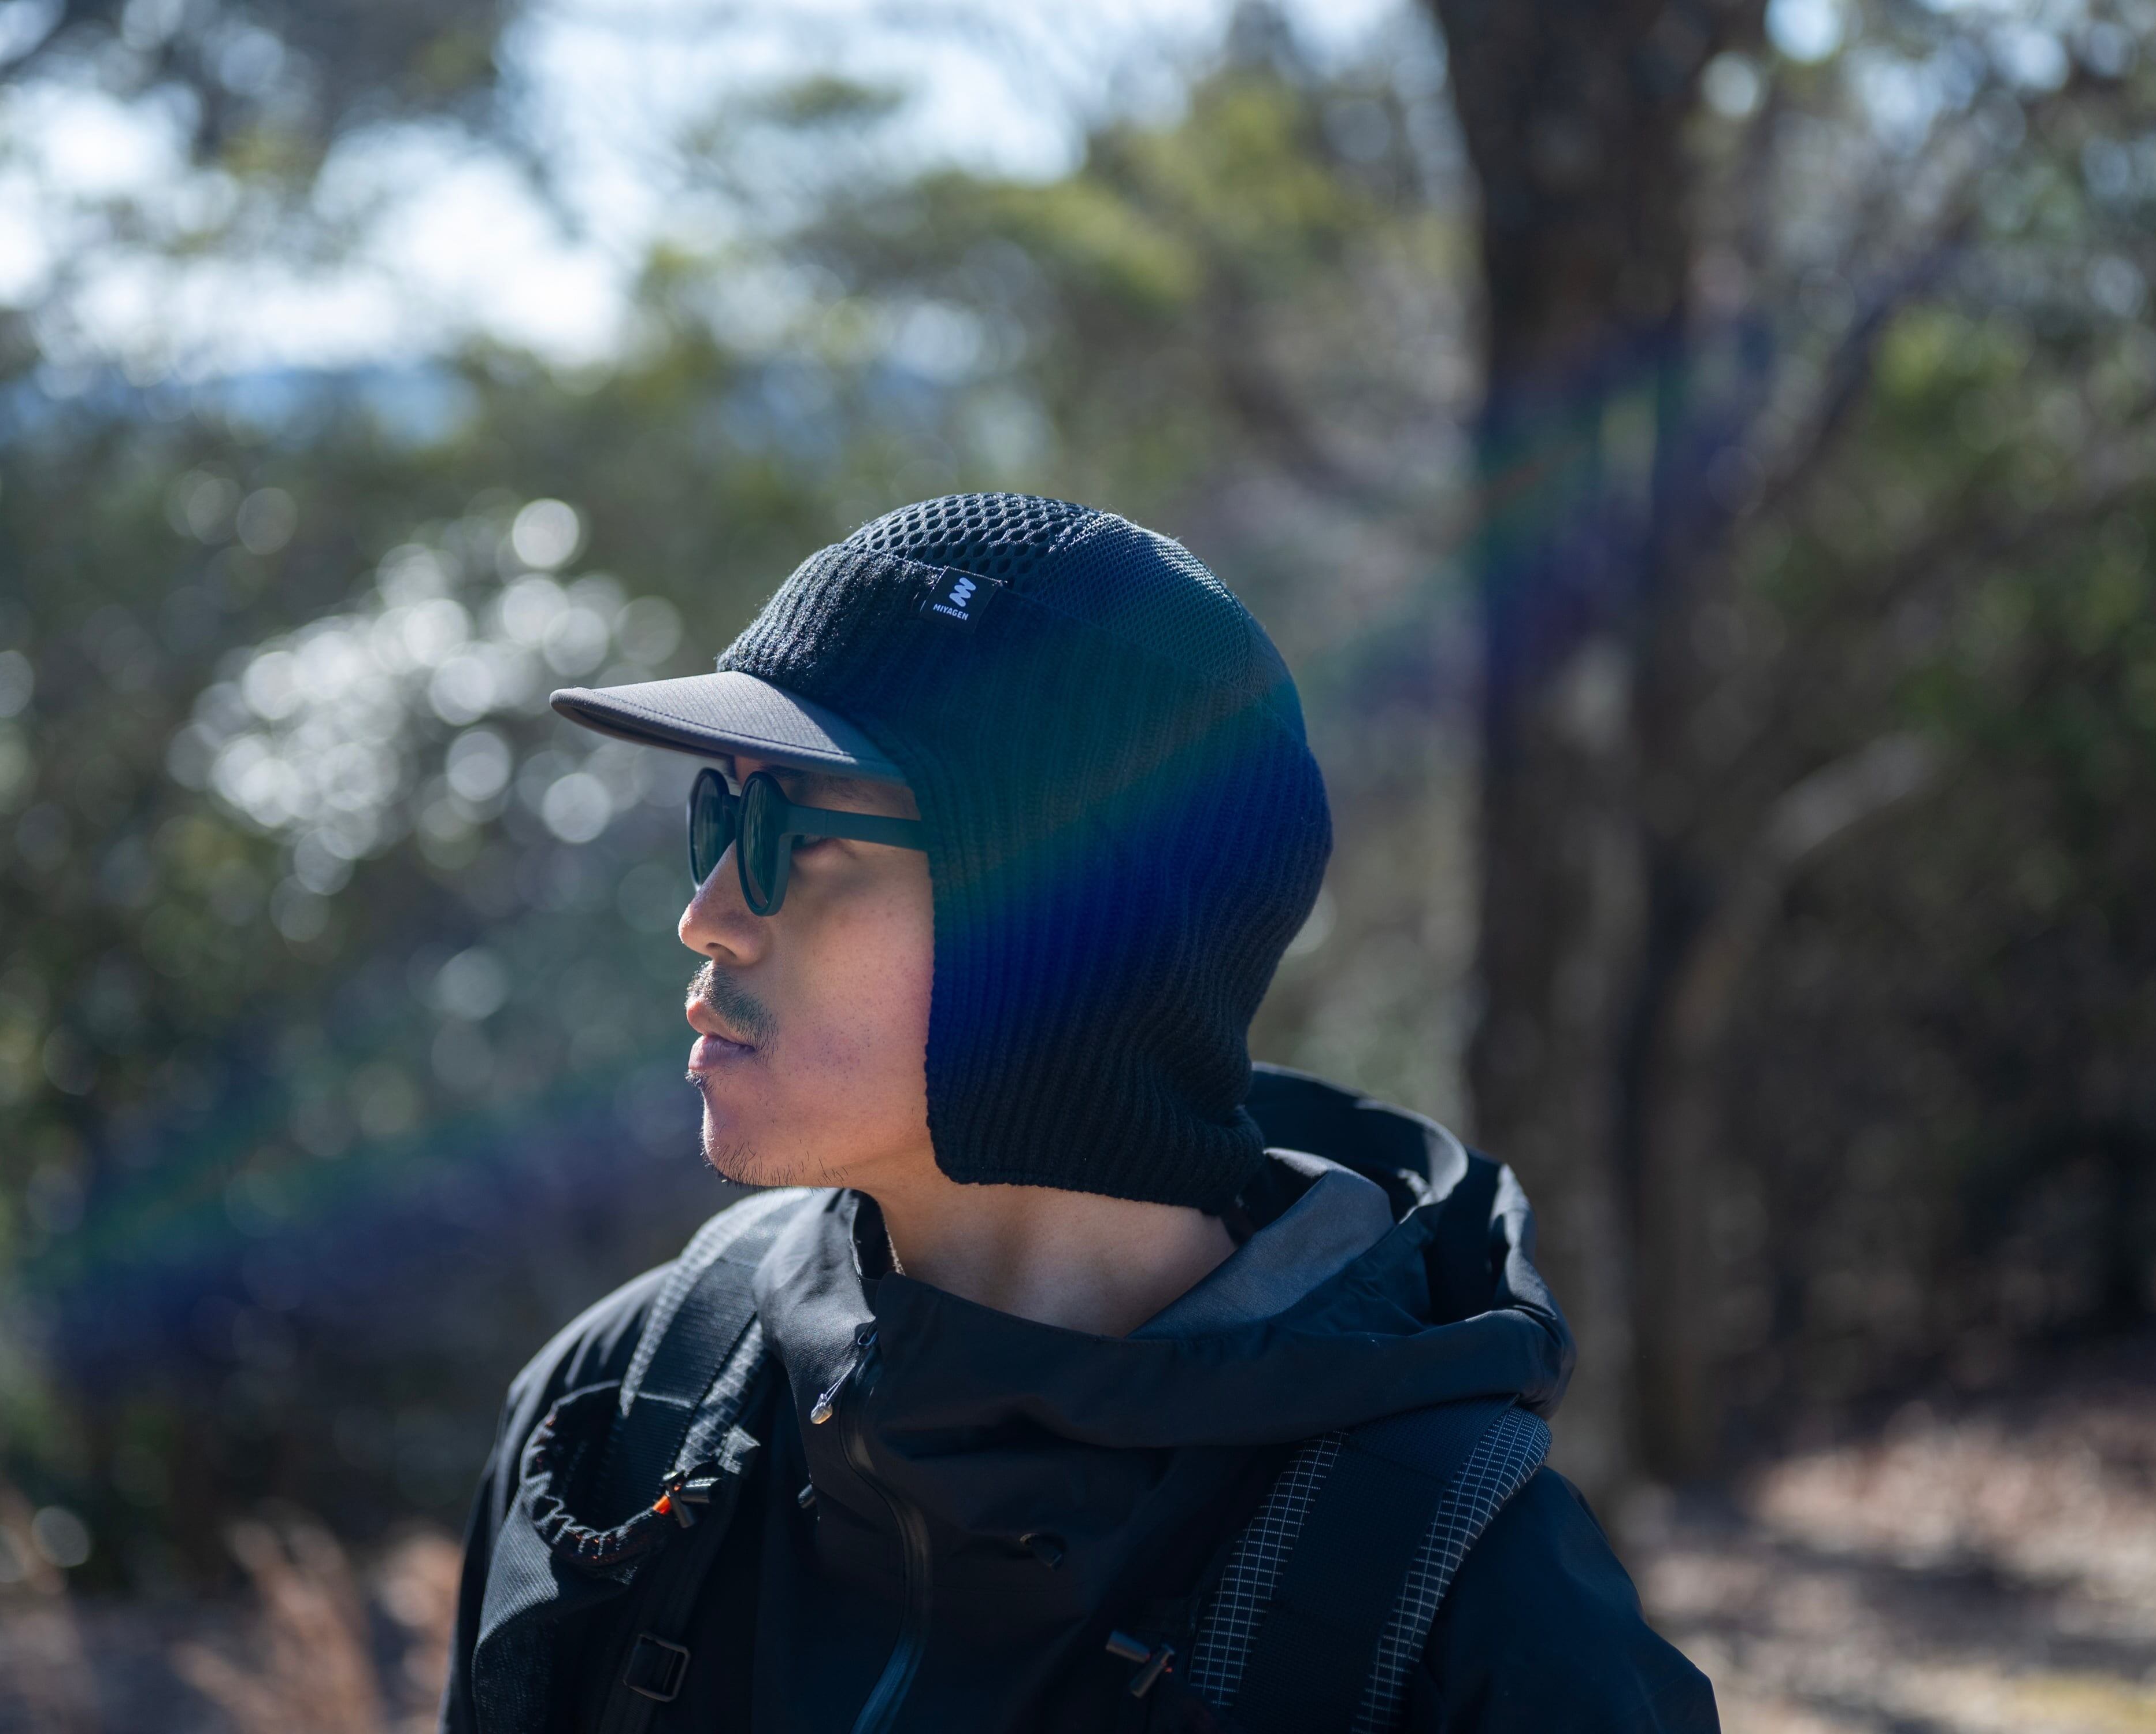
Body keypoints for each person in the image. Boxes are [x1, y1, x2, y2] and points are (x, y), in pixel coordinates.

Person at [440, 494, 1717, 1732]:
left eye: (794, 833)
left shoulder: (1469, 1621)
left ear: (1070, 929)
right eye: (716, 814)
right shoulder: (617, 1412)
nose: (707, 914)